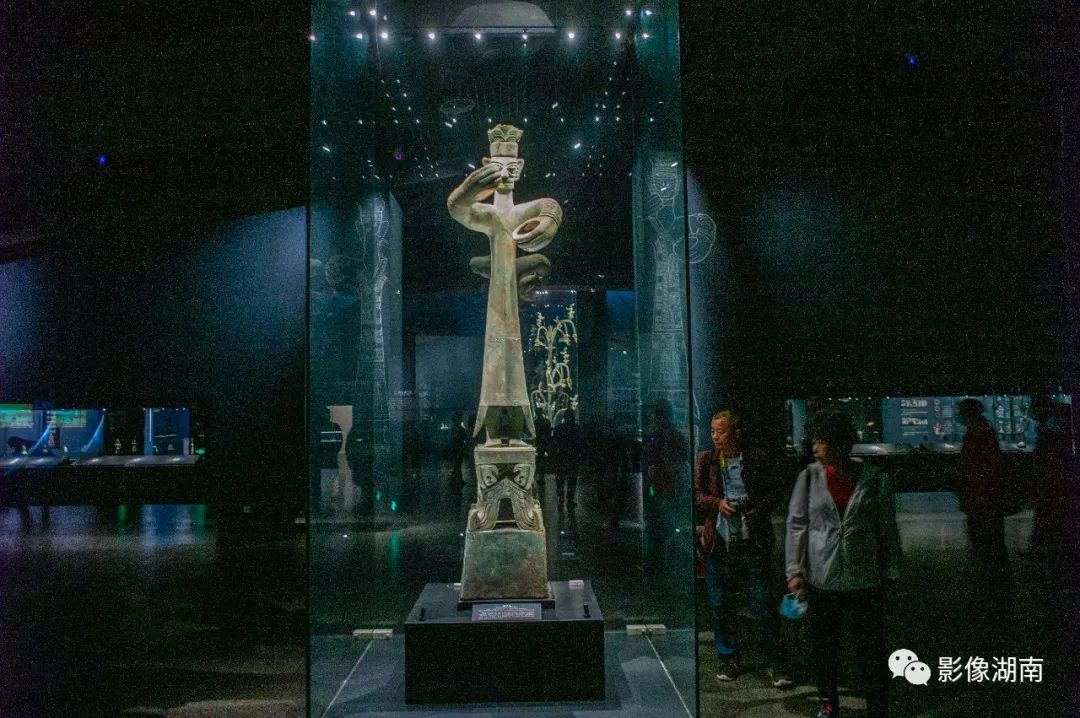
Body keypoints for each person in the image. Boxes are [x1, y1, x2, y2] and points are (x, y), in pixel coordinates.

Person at [786, 409, 900, 718]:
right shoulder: (809, 478)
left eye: (820, 441)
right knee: (825, 647)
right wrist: (794, 571)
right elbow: (797, 525)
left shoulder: (874, 479)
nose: (814, 448)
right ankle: (827, 703)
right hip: (822, 578)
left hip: (864, 577)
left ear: (839, 443)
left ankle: (878, 706)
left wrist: (891, 570)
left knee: (870, 648)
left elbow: (886, 528)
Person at [695, 410, 792, 688]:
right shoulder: (707, 460)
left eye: (721, 431)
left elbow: (774, 491)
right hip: (720, 543)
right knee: (720, 604)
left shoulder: (756, 458)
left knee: (762, 603)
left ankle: (775, 661)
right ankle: (728, 657)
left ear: (735, 433)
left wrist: (755, 512)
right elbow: (697, 494)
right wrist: (718, 504)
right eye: (712, 431)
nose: (715, 436)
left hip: (753, 541)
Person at [954, 398, 1013, 616]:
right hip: (987, 501)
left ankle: (991, 596)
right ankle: (998, 593)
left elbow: (975, 470)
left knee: (986, 547)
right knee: (993, 545)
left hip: (981, 502)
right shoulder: (985, 431)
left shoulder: (977, 434)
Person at [553, 409, 580, 510]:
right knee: (572, 480)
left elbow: (554, 443)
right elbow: (580, 444)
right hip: (573, 458)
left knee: (560, 479)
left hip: (561, 457)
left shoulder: (558, 428)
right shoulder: (577, 428)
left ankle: (561, 497)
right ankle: (570, 500)